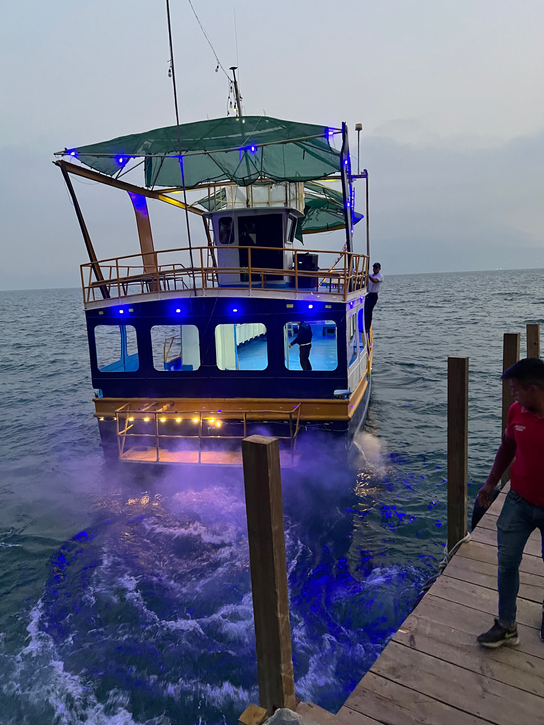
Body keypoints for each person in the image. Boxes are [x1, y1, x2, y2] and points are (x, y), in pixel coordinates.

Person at [476, 357, 544, 648]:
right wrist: (490, 482)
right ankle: (507, 625)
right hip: (518, 500)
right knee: (506, 562)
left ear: (532, 389)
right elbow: (507, 448)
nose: (512, 394)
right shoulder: (516, 412)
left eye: (515, 388)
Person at [364, 262, 383, 333]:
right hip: (367, 294)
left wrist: (367, 275)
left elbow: (374, 281)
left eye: (376, 268)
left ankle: (367, 328)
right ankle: (364, 326)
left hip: (373, 295)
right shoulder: (371, 275)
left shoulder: (380, 276)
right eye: (374, 267)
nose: (375, 269)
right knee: (365, 311)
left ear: (379, 269)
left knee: (369, 311)